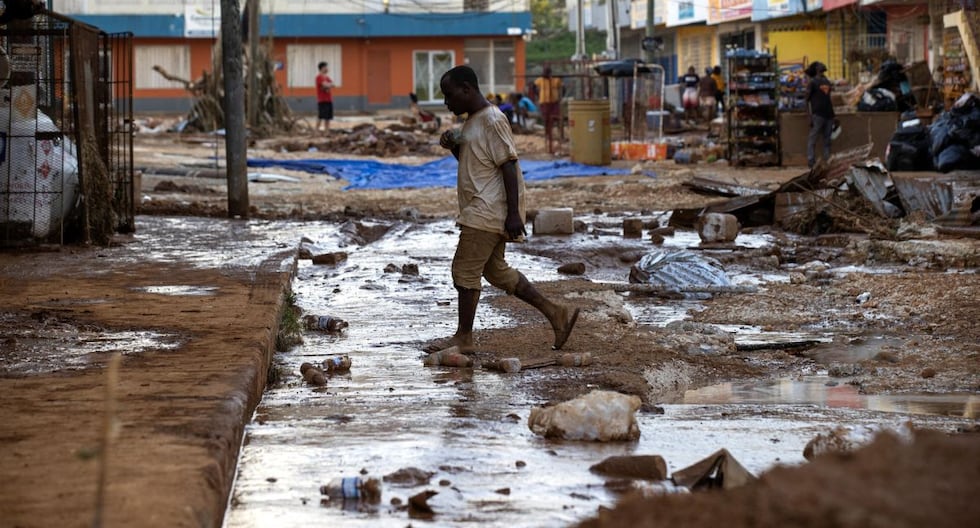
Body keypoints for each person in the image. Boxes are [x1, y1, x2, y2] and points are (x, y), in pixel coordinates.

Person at [429, 65, 579, 355]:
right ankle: (555, 313)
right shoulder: (474, 121)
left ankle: (464, 337)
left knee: (464, 270)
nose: (447, 102)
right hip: (482, 208)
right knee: (496, 271)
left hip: (486, 211)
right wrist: (452, 147)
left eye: (449, 95)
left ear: (466, 89)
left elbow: (509, 165)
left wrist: (513, 214)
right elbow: (477, 163)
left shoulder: (493, 120)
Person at [805, 61, 835, 169]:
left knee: (827, 140)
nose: (823, 64)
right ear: (817, 68)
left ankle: (827, 161)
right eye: (820, 64)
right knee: (813, 138)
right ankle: (811, 161)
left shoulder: (826, 81)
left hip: (828, 114)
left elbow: (828, 99)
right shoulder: (812, 82)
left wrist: (833, 115)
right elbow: (807, 100)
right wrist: (810, 117)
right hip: (818, 115)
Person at [533, 66, 562, 152]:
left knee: (556, 117)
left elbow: (562, 87)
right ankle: (547, 134)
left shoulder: (555, 80)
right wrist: (538, 94)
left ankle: (558, 134)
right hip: (544, 102)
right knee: (546, 118)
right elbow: (534, 86)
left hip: (554, 102)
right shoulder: (540, 80)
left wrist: (560, 96)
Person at [315, 61, 334, 133]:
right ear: (322, 68)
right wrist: (328, 85)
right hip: (322, 100)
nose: (327, 68)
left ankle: (327, 131)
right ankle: (316, 131)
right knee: (321, 116)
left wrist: (328, 85)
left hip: (329, 99)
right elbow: (326, 85)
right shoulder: (319, 77)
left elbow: (332, 84)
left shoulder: (327, 77)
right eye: (326, 67)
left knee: (328, 117)